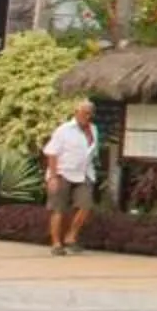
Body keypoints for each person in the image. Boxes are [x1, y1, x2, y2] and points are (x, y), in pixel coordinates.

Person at [44, 101, 98, 257]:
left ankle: (71, 236)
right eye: (84, 112)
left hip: (84, 173)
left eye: (89, 113)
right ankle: (56, 243)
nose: (87, 116)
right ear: (76, 113)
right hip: (63, 172)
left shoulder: (93, 129)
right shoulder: (64, 130)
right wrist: (53, 177)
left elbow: (91, 152)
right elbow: (51, 153)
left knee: (85, 205)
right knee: (58, 209)